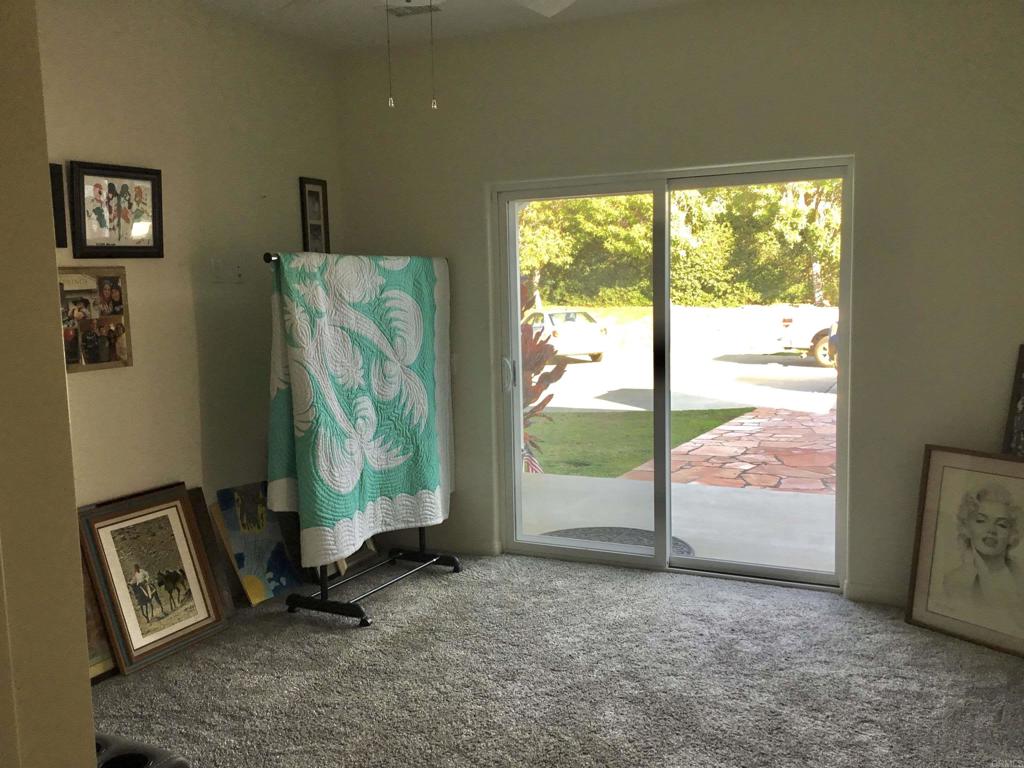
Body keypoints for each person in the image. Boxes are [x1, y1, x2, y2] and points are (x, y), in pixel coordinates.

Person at [941, 482, 1024, 634]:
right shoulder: (954, 581)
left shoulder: (1019, 578)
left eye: (1002, 524)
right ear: (966, 526)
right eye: (981, 520)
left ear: (1012, 534)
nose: (991, 530)